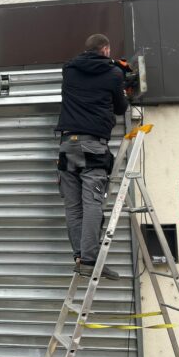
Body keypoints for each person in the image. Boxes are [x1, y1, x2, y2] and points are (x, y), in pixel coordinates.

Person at [55, 33, 128, 281]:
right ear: (106, 49)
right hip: (93, 146)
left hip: (67, 145)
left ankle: (79, 256)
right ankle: (89, 259)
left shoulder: (69, 70)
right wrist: (118, 69)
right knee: (92, 203)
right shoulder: (114, 74)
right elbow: (120, 108)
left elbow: (83, 65)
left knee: (72, 205)